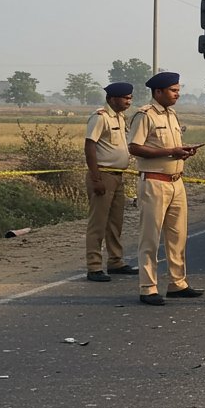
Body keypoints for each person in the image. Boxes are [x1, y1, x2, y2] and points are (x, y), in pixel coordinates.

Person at [128, 72, 204, 306]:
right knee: (150, 237)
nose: (177, 95)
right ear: (158, 92)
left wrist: (183, 151)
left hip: (176, 181)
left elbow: (170, 147)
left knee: (177, 236)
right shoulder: (145, 115)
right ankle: (148, 287)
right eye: (173, 90)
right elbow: (135, 147)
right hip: (154, 182)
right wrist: (170, 152)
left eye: (178, 90)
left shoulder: (171, 115)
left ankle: (177, 283)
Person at [83, 82, 137, 281]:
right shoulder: (100, 118)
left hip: (117, 175)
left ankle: (115, 261)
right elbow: (90, 146)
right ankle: (94, 266)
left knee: (115, 222)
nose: (128, 101)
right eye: (125, 98)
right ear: (111, 99)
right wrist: (96, 178)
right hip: (103, 175)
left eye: (130, 98)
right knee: (98, 223)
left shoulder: (120, 118)